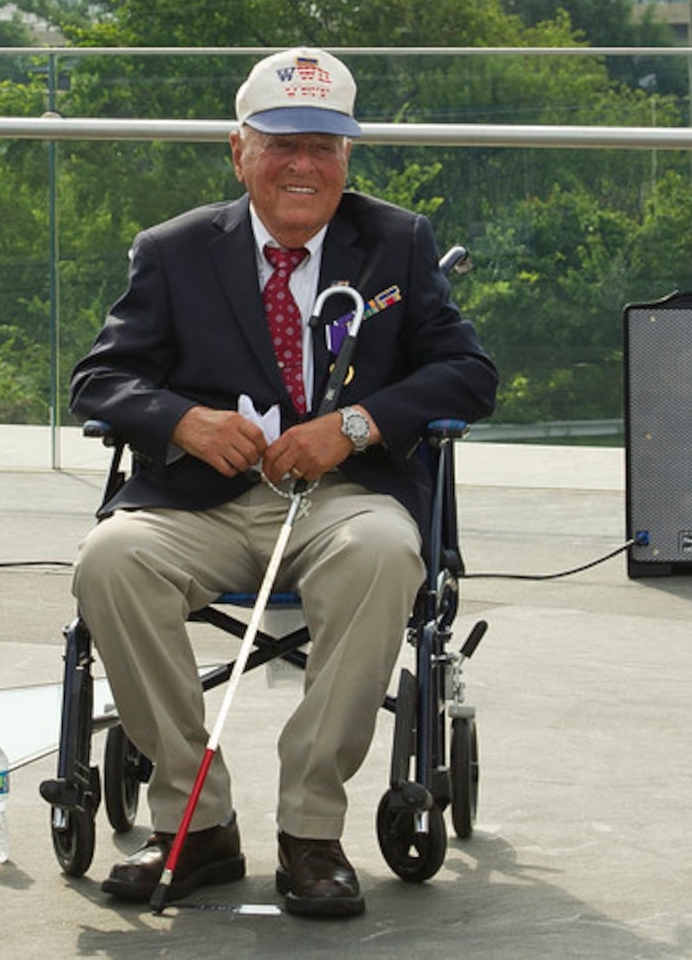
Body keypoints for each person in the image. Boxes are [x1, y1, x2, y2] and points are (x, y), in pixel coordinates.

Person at [69, 47, 496, 918]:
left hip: (346, 500)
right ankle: (196, 824)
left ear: (348, 159)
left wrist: (353, 425)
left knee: (382, 551)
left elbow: (468, 374)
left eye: (325, 147)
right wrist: (182, 422)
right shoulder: (175, 251)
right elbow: (98, 382)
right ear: (240, 151)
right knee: (112, 559)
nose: (303, 164)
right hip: (203, 500)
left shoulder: (400, 245)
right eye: (281, 144)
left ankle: (310, 830)